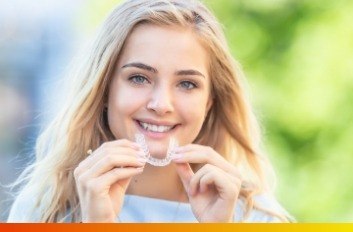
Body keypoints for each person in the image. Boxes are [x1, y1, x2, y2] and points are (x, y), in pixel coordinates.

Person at [7, 0, 292, 223]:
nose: (161, 104)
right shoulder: (42, 209)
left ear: (209, 101)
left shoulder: (257, 217)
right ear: (105, 89)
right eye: (139, 78)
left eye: (187, 83)